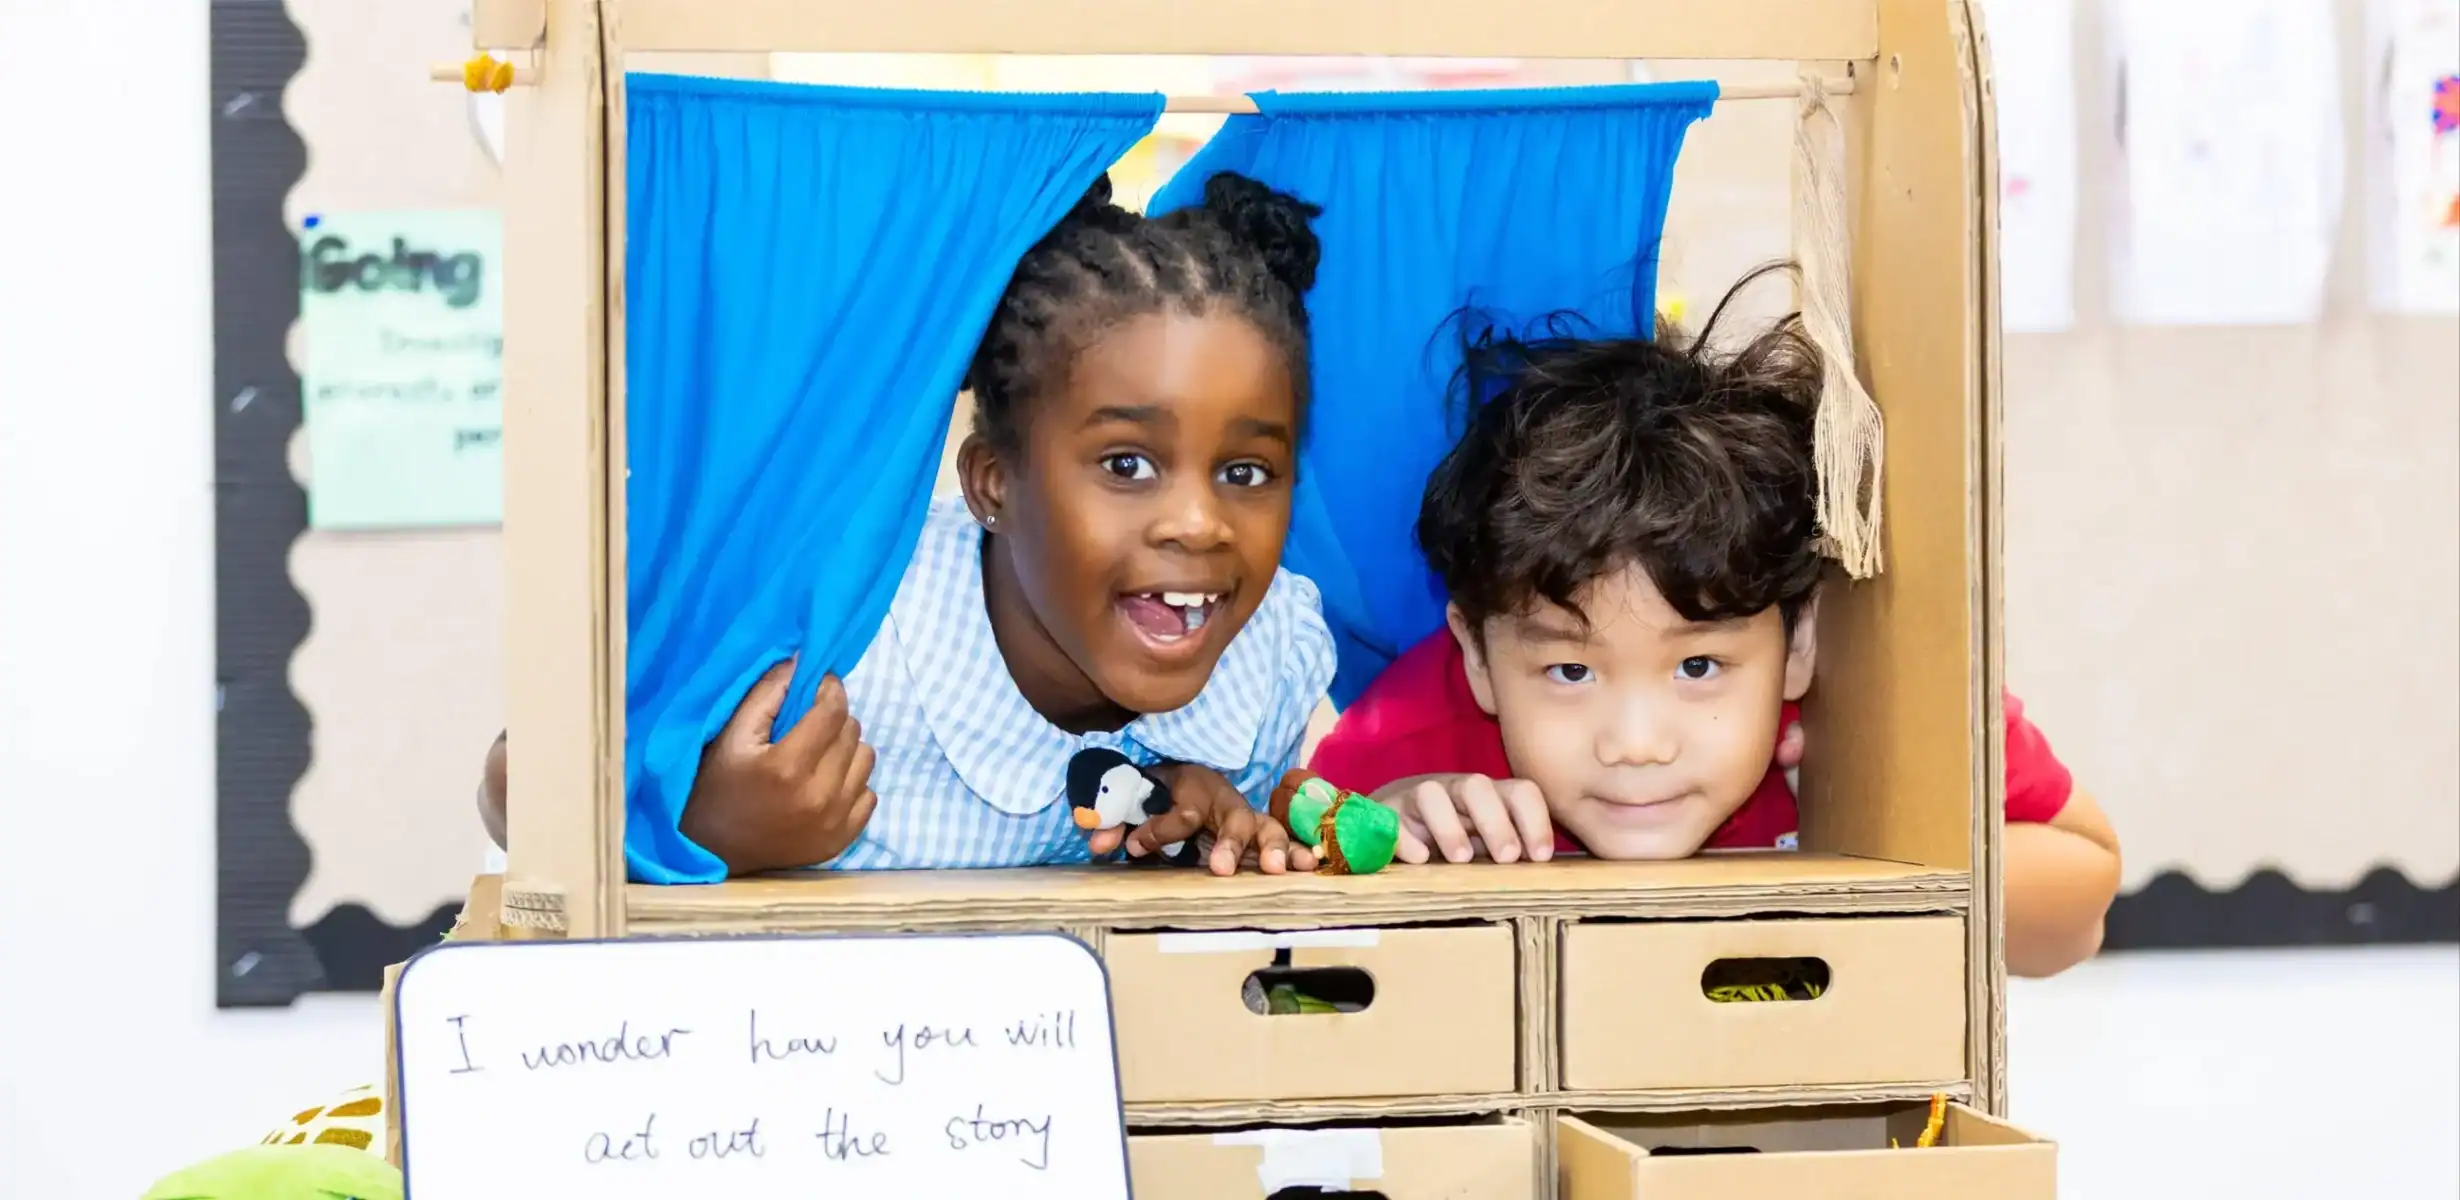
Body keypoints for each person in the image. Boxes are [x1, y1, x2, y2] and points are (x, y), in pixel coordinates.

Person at [482, 171, 1338, 879]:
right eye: (1127, 465)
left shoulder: (1265, 660)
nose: (1198, 523)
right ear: (993, 484)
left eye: (1246, 472)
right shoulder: (837, 637)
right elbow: (513, 779)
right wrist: (698, 826)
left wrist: (1220, 828)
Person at [1306, 268, 2123, 977]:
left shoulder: (1874, 704)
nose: (1637, 743)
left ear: (1799, 639)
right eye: (1570, 672)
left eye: (1698, 667)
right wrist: (1380, 838)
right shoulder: (1415, 742)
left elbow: (2080, 910)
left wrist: (1877, 832)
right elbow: (1270, 920)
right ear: (1478, 657)